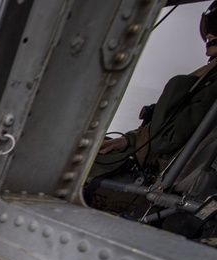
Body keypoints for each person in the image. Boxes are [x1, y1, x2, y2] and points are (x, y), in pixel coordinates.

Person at [93, 2, 217, 179]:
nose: (209, 35)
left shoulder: (209, 86)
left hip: (166, 185)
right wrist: (127, 140)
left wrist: (184, 80)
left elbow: (165, 140)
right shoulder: (207, 81)